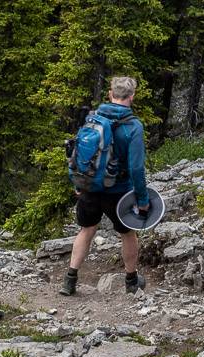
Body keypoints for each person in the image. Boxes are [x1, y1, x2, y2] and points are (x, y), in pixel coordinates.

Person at [59, 76, 149, 296]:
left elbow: (77, 153)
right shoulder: (133, 126)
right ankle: (131, 281)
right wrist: (143, 200)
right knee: (128, 233)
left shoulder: (93, 119)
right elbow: (136, 168)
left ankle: (69, 281)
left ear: (111, 94)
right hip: (118, 190)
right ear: (132, 97)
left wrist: (77, 181)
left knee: (86, 229)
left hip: (89, 187)